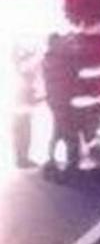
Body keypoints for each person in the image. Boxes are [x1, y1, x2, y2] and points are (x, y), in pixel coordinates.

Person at [41, 35, 82, 173]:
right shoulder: (59, 60)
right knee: (69, 131)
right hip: (64, 100)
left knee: (58, 130)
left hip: (56, 100)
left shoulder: (48, 58)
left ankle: (53, 160)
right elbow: (73, 74)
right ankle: (72, 161)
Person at [10, 43, 39, 169]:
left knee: (23, 133)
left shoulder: (22, 72)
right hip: (20, 108)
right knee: (22, 133)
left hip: (20, 108)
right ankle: (22, 160)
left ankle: (22, 159)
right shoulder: (21, 73)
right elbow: (24, 91)